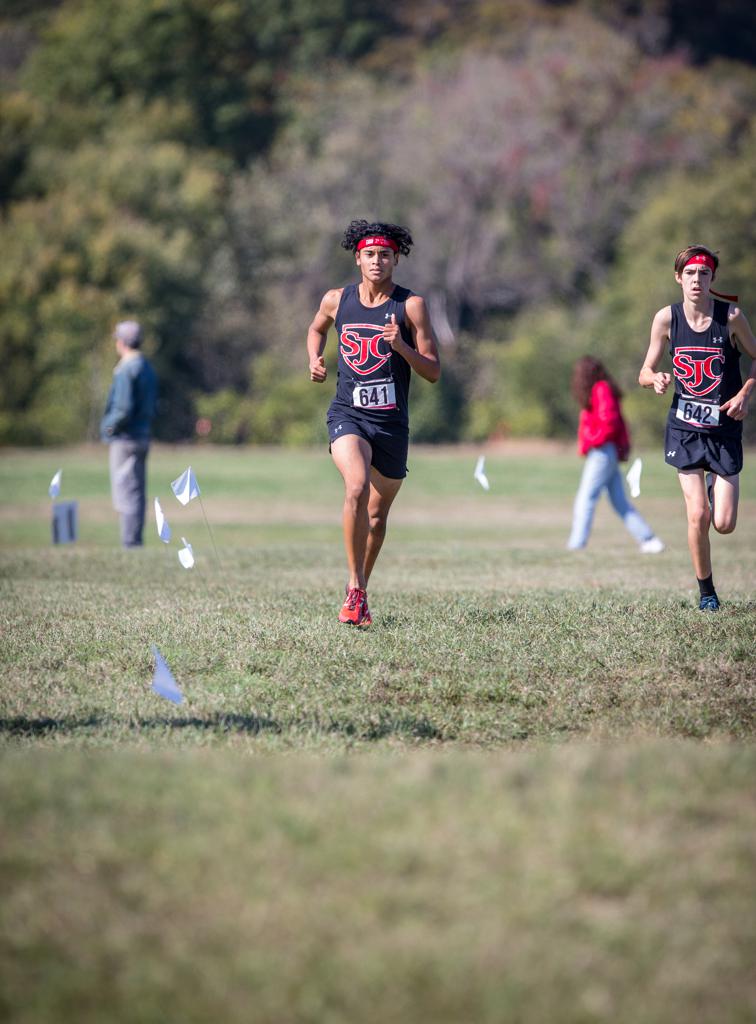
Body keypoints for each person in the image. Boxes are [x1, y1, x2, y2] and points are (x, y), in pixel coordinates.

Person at [307, 219, 441, 626]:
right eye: (370, 254)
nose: (377, 261)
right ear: (358, 259)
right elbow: (316, 329)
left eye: (385, 254)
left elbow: (433, 371)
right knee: (356, 486)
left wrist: (401, 347)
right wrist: (314, 358)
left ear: (395, 259)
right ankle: (353, 586)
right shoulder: (336, 300)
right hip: (348, 414)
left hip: (391, 425)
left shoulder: (410, 306)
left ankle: (361, 591)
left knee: (378, 517)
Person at [639, 244, 756, 610]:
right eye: (689, 273)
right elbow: (644, 370)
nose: (696, 280)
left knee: (723, 523)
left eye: (703, 274)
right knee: (698, 515)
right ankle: (707, 594)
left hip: (723, 431)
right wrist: (654, 378)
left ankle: (712, 486)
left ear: (712, 279)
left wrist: (745, 394)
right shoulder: (665, 319)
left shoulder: (731, 317)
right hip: (685, 429)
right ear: (678, 277)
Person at [567, 356, 664, 553]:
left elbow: (609, 422)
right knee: (619, 501)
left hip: (602, 451)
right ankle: (649, 540)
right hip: (605, 451)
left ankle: (577, 544)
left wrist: (591, 440)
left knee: (586, 497)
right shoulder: (600, 389)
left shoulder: (601, 388)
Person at [100, 320, 158, 548]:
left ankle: (130, 543)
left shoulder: (126, 368)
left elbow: (122, 408)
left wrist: (108, 427)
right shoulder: (147, 367)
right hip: (143, 435)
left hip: (125, 439)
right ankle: (135, 540)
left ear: (122, 342)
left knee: (125, 493)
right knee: (137, 492)